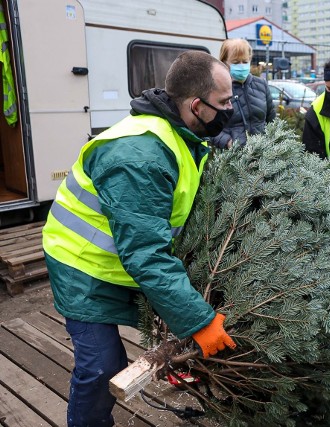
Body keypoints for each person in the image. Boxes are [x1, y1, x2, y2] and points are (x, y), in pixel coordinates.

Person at [41, 51, 237, 427]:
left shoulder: (181, 132)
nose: (231, 109)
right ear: (196, 105)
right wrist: (199, 321)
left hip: (117, 262)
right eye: (225, 102)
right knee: (101, 367)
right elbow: (146, 254)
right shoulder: (140, 159)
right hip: (81, 264)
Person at [209, 38, 276, 149]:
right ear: (224, 62)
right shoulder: (217, 90)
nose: (241, 65)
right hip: (233, 159)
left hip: (263, 156)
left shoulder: (261, 85)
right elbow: (210, 128)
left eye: (245, 62)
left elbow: (272, 121)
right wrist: (228, 142)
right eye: (236, 62)